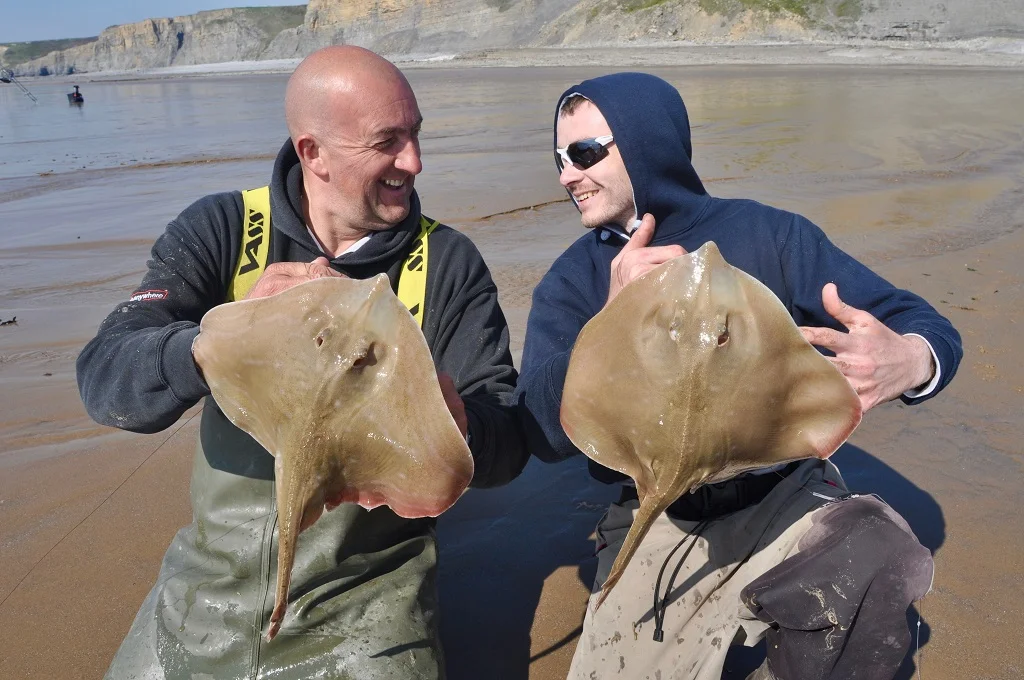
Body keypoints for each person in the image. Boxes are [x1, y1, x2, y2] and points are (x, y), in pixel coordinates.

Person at [77, 45, 527, 679]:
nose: (415, 161)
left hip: (366, 598)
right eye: (387, 141)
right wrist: (227, 337)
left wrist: (461, 423)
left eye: (416, 135)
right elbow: (106, 379)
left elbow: (507, 433)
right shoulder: (224, 228)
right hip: (209, 582)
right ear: (312, 151)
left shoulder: (447, 263)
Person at [515, 72, 962, 680]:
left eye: (586, 152)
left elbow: (922, 322)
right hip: (659, 508)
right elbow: (540, 428)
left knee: (876, 549)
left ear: (647, 144)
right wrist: (610, 323)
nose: (567, 174)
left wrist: (911, 359)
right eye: (559, 157)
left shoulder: (770, 235)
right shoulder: (574, 282)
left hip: (779, 490)